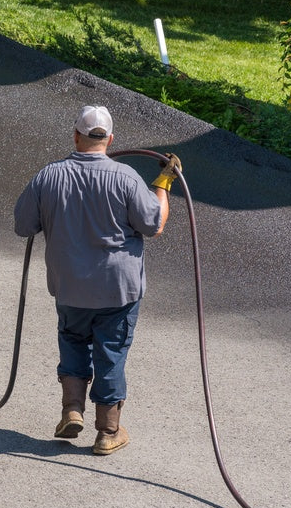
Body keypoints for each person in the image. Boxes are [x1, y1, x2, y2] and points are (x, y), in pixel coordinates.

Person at [13, 105, 180, 455]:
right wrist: (163, 184)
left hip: (70, 287)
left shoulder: (48, 176)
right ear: (111, 139)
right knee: (111, 352)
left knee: (73, 340)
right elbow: (155, 225)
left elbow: (22, 225)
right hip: (118, 290)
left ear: (75, 136)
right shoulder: (126, 177)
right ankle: (107, 431)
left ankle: (72, 410)